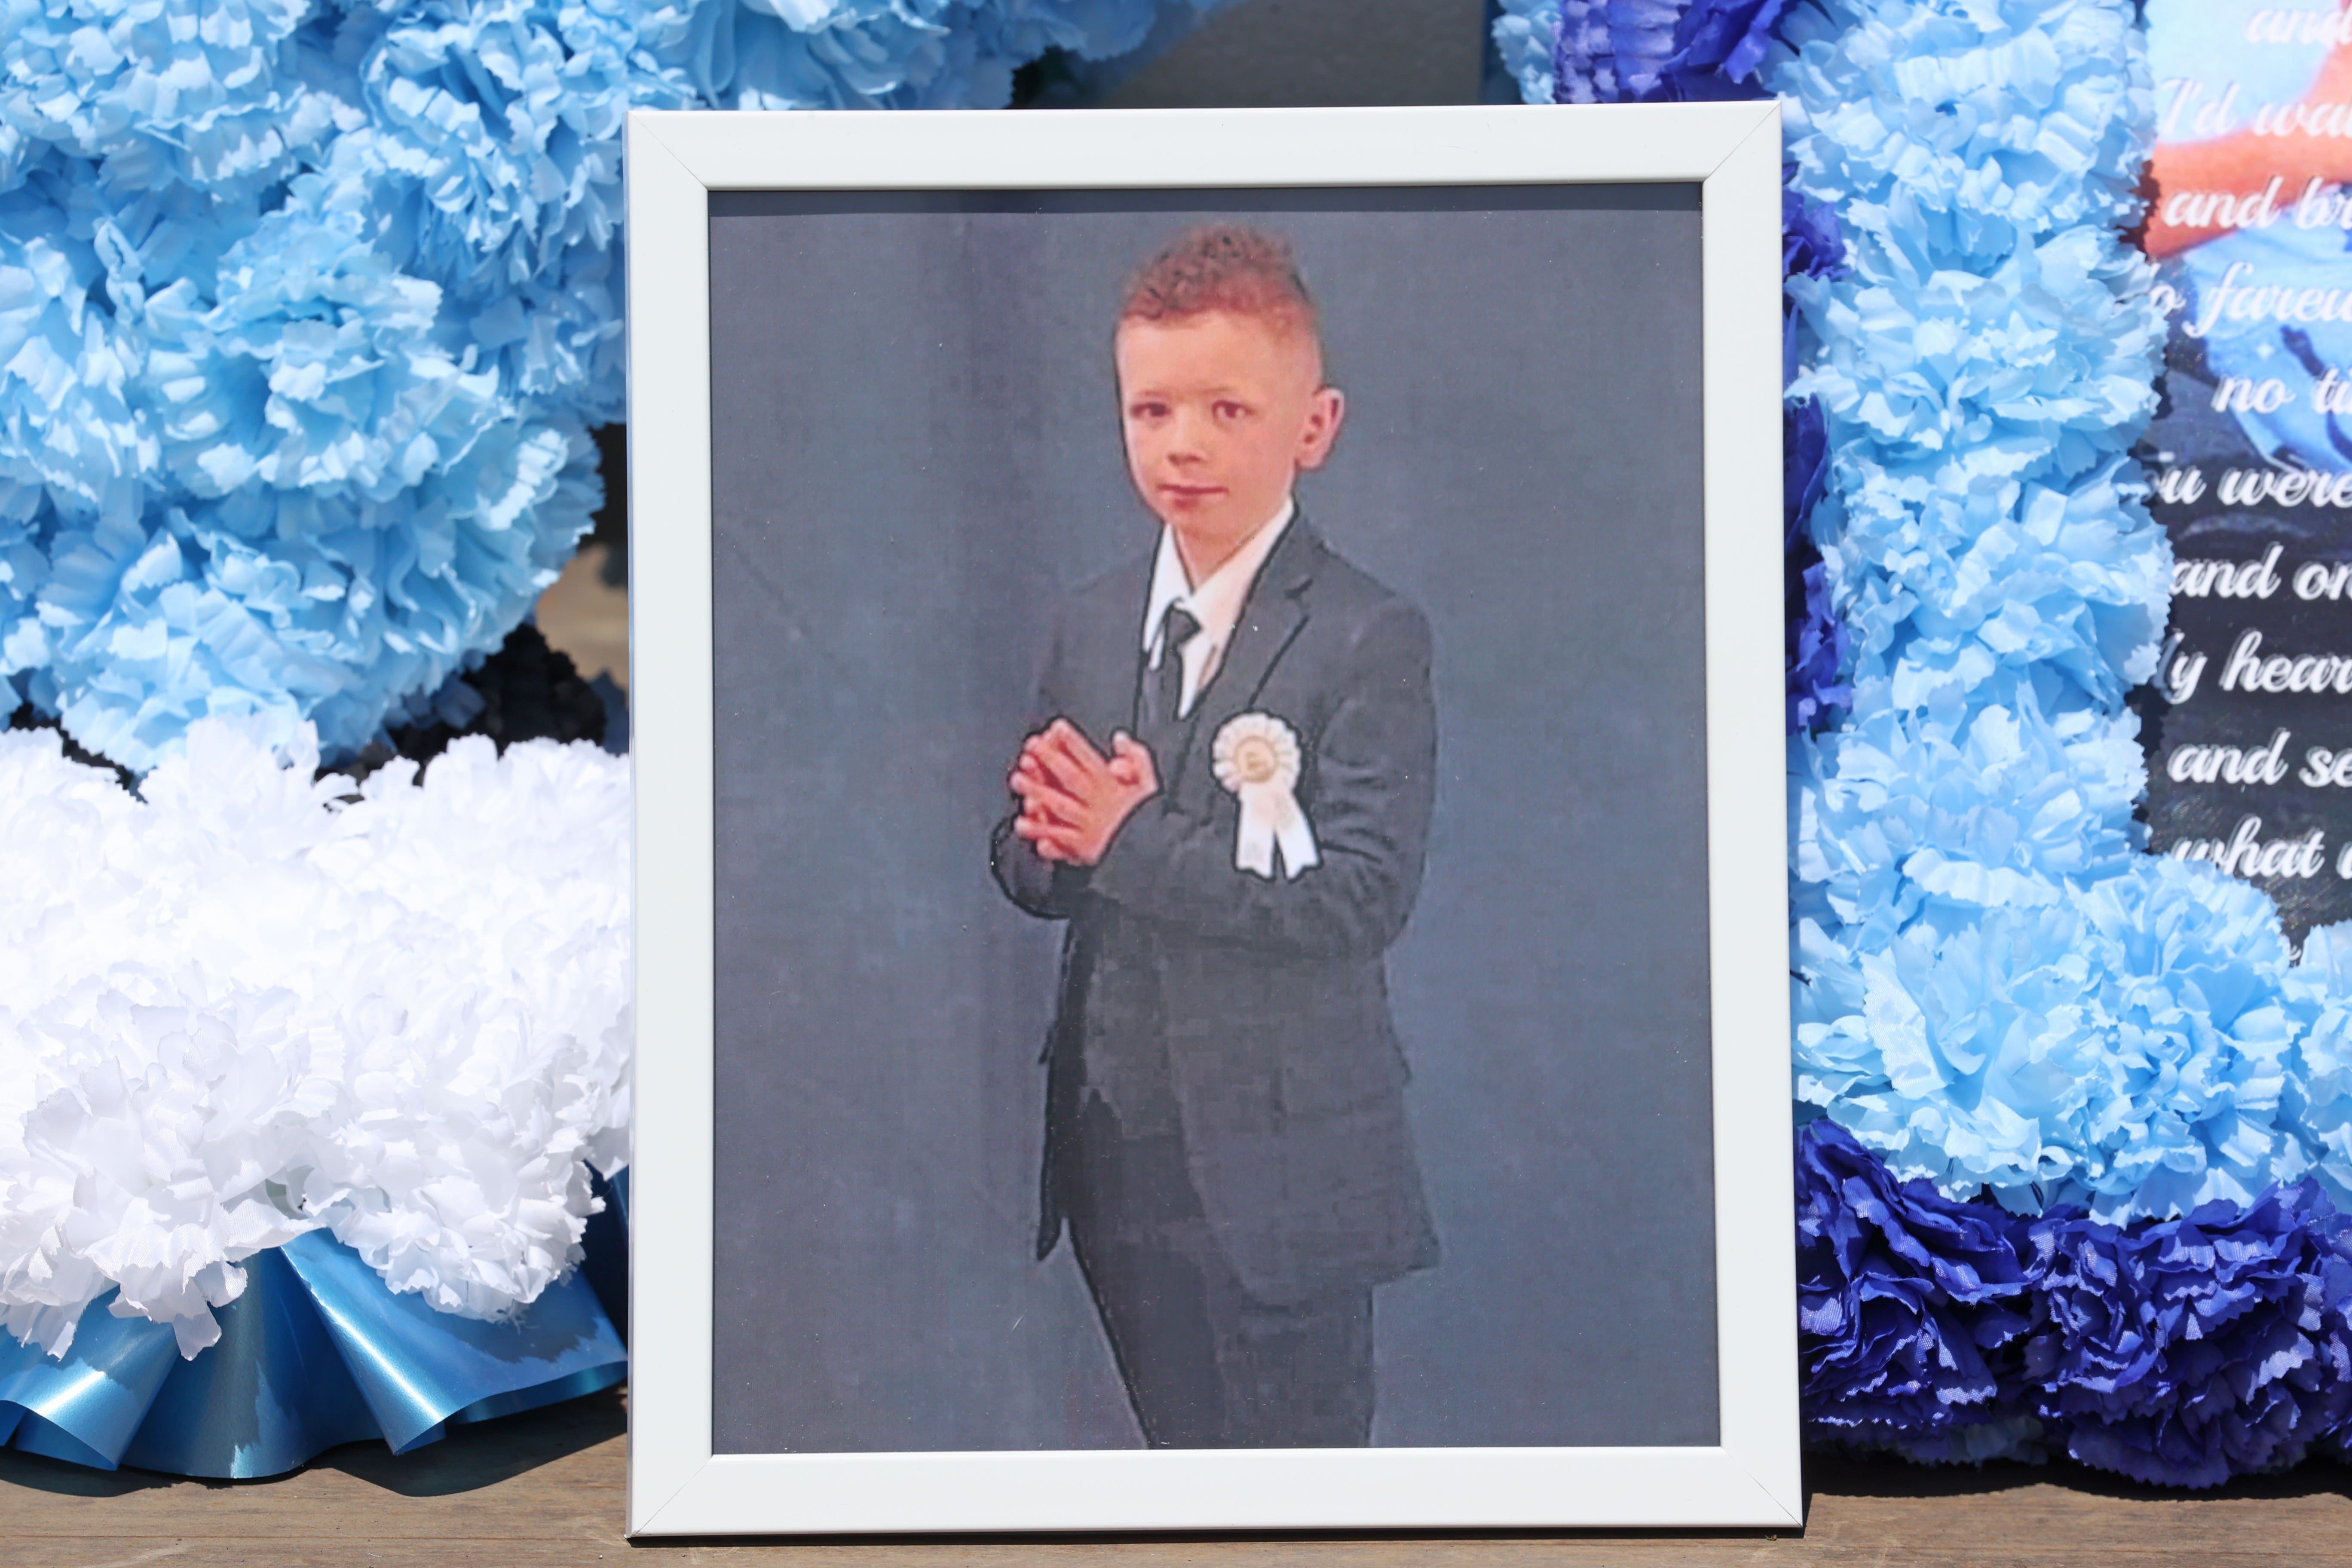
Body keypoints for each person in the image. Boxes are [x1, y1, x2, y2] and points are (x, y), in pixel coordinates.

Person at [988, 225, 1439, 1449]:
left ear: (1314, 427)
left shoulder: (1363, 635)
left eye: (1230, 409)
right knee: (1174, 1456)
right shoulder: (1090, 624)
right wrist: (1052, 836)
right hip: (1114, 1152)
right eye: (1151, 410)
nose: (1182, 443)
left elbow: (1359, 899)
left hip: (1284, 1172)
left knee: (1292, 1479)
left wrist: (1129, 837)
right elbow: (1027, 861)